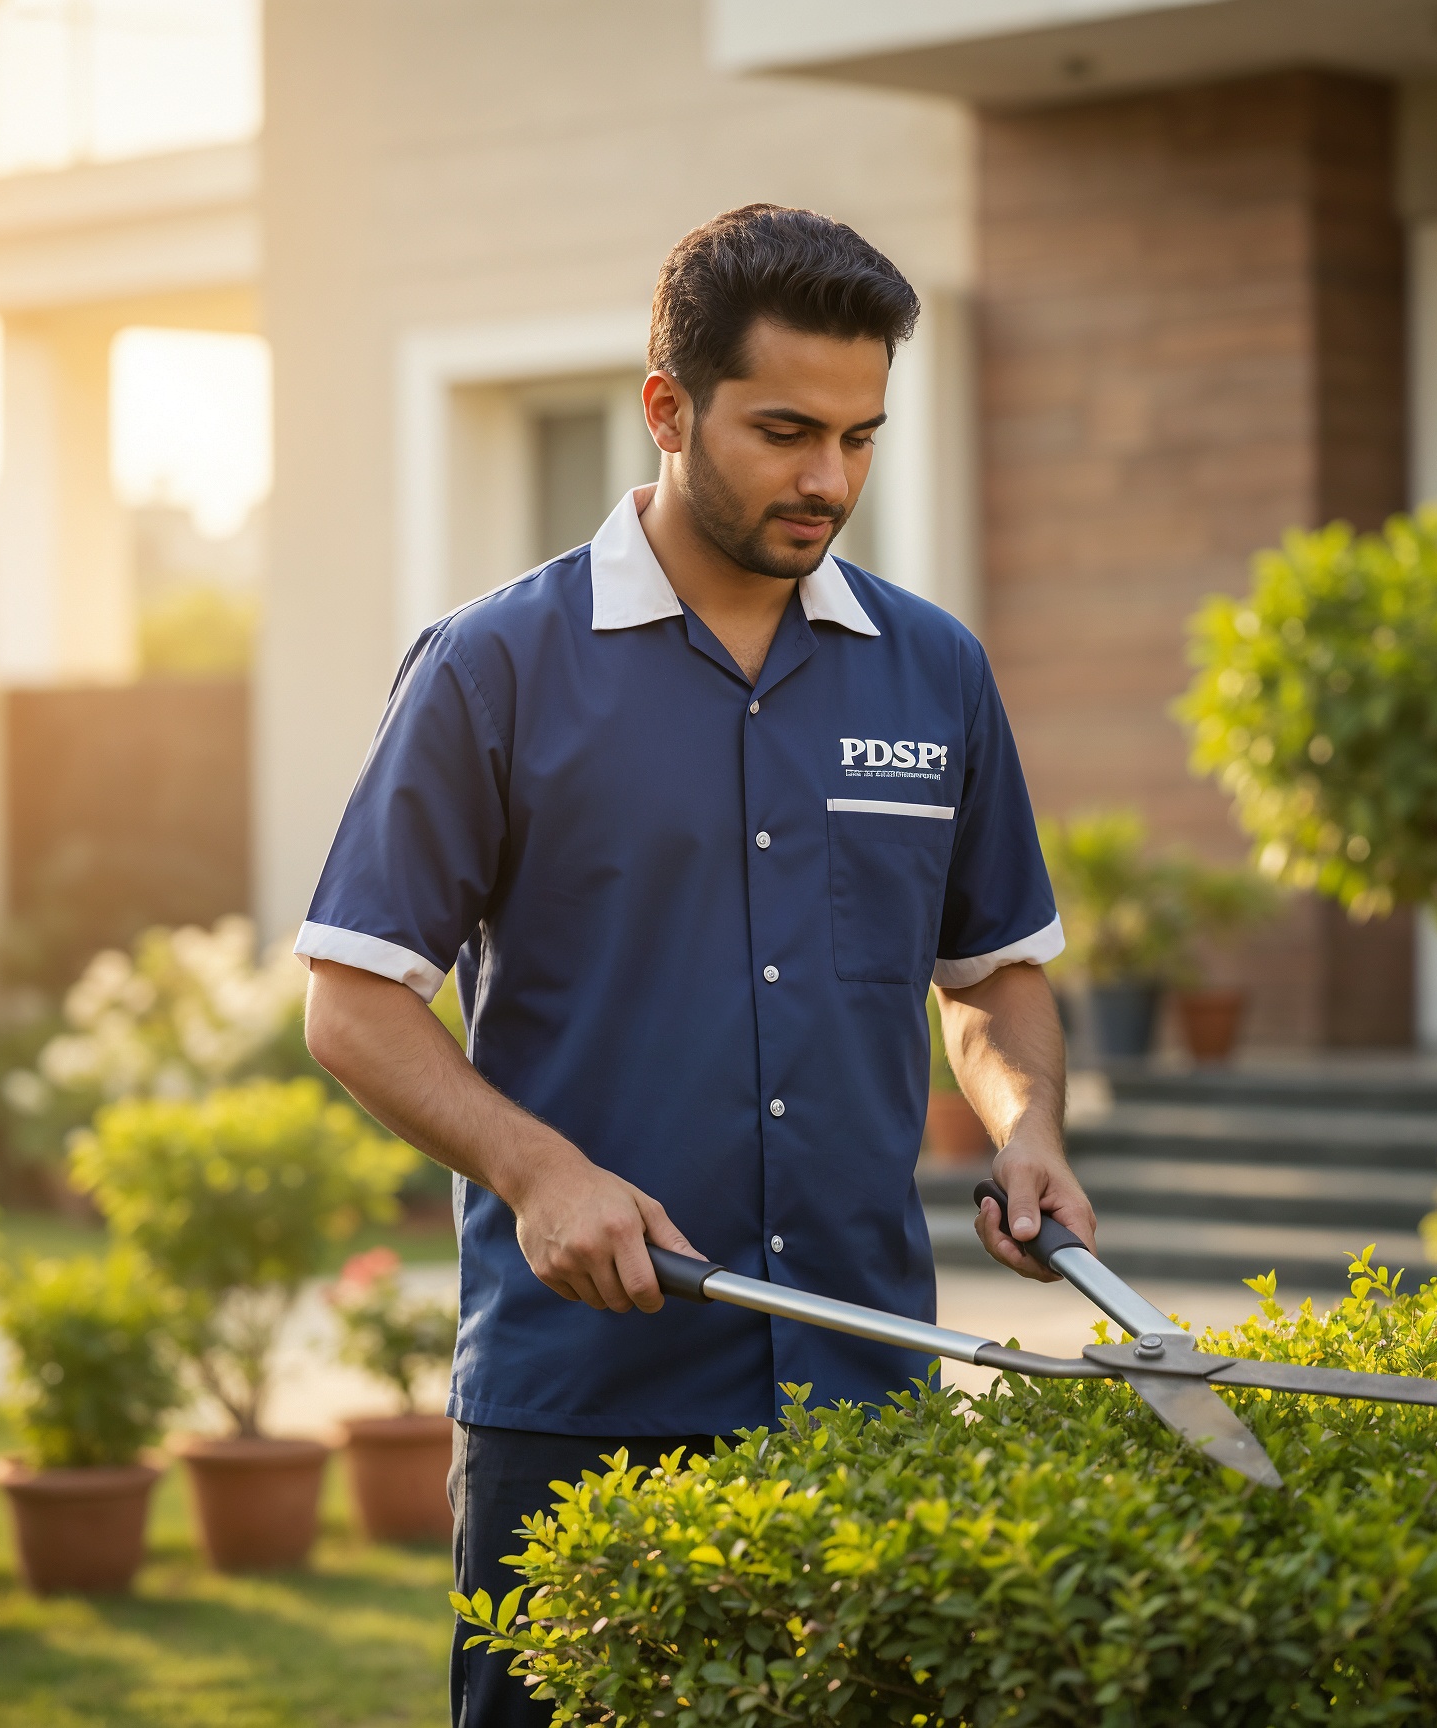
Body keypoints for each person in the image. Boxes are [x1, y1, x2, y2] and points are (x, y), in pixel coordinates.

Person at [298, 203, 1096, 1727]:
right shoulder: (495, 666)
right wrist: (539, 1175)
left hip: (867, 1391)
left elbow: (990, 976)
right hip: (580, 1402)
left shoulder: (937, 671)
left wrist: (1027, 1124)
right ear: (665, 407)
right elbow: (352, 998)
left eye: (862, 437)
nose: (830, 481)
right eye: (787, 430)